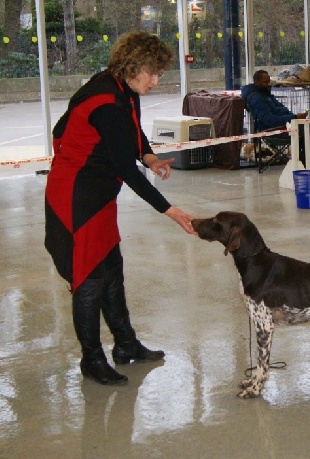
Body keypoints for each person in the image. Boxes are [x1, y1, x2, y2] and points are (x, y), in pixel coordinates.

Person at [44, 32, 197, 386]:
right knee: (89, 280)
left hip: (98, 193)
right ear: (132, 67)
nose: (157, 80)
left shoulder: (122, 90)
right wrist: (169, 210)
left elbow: (134, 133)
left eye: (160, 73)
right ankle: (91, 359)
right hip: (76, 197)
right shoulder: (106, 101)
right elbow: (125, 170)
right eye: (153, 73)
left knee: (112, 269)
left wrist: (149, 154)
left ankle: (125, 345)